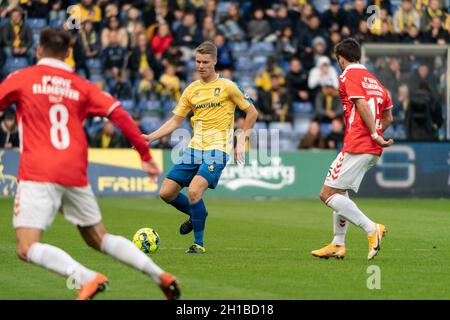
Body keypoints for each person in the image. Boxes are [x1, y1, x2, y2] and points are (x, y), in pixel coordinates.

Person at [0, 28, 180, 300]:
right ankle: (161, 275)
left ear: (38, 50)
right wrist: (144, 155)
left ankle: (87, 278)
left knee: (27, 248)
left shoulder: (22, 78)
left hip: (38, 171)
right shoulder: (80, 85)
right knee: (99, 238)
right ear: (69, 53)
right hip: (75, 172)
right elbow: (119, 114)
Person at [143, 41, 258, 254]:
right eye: (197, 61)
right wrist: (150, 137)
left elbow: (252, 112)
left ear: (214, 61)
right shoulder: (191, 90)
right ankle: (198, 214)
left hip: (218, 149)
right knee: (166, 192)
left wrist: (241, 140)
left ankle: (198, 244)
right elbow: (175, 122)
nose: (201, 66)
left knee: (195, 191)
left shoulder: (228, 86)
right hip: (195, 148)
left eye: (205, 62)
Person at [311, 38, 394, 260]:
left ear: (340, 58)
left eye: (337, 58)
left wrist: (374, 134)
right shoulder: (375, 82)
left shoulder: (348, 76)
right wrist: (376, 132)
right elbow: (388, 115)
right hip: (369, 147)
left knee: (327, 194)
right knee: (341, 192)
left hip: (357, 143)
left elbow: (361, 104)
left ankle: (371, 228)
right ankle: (338, 244)